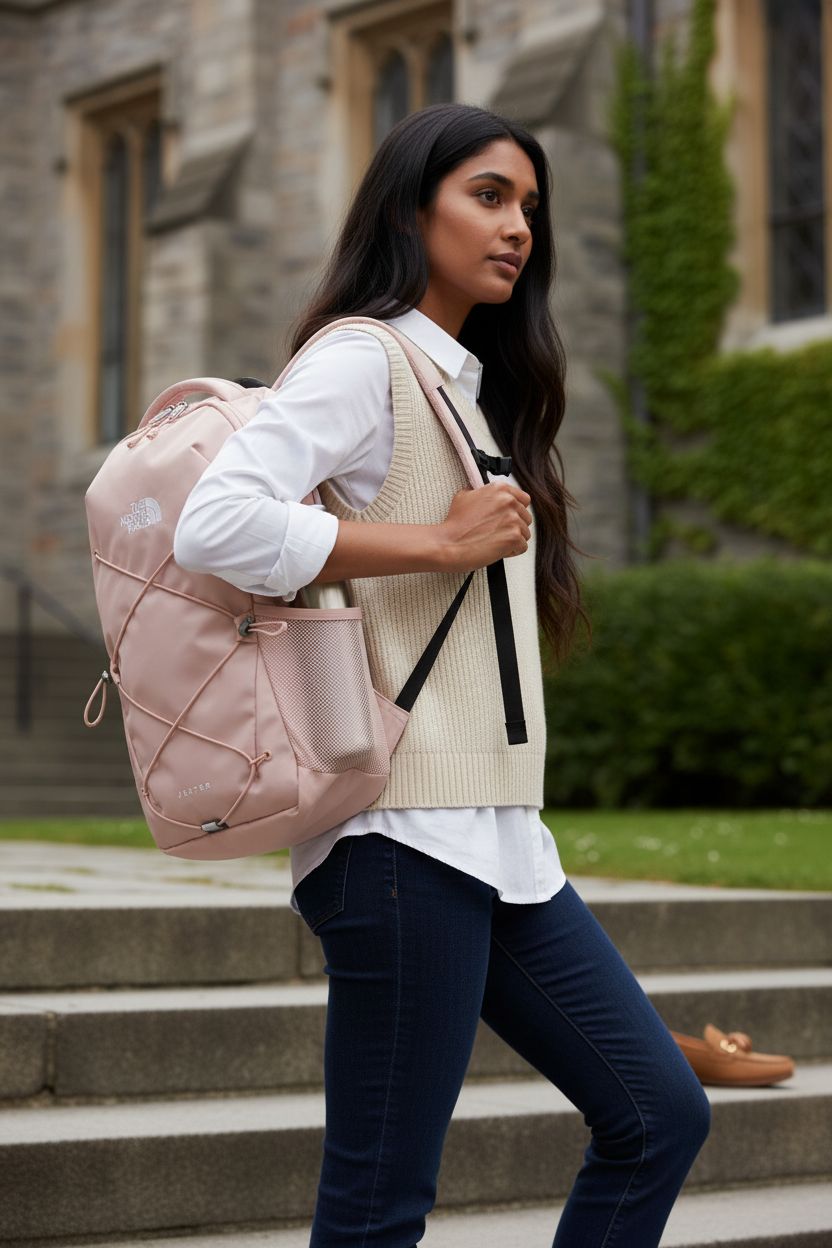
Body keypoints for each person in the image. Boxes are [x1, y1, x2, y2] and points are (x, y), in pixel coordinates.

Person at [173, 102, 711, 1248]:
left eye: (529, 206)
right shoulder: (361, 357)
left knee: (658, 1114)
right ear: (411, 211)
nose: (518, 227)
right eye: (488, 196)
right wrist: (435, 541)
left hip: (498, 837)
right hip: (399, 844)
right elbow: (213, 525)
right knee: (378, 1210)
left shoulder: (465, 384)